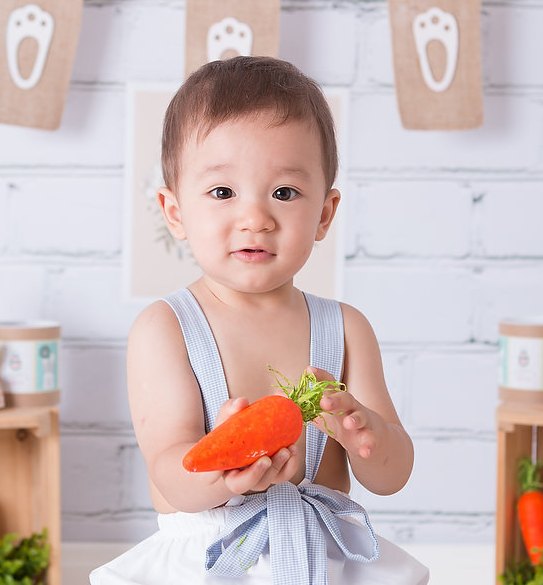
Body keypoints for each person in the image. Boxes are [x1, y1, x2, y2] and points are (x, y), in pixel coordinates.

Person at [90, 55, 429, 585]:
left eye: (285, 192)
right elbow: (169, 474)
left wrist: (367, 434)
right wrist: (221, 464)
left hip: (325, 559)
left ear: (324, 214)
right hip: (214, 562)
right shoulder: (165, 328)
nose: (256, 218)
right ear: (175, 211)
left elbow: (392, 475)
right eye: (223, 192)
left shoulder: (346, 330)